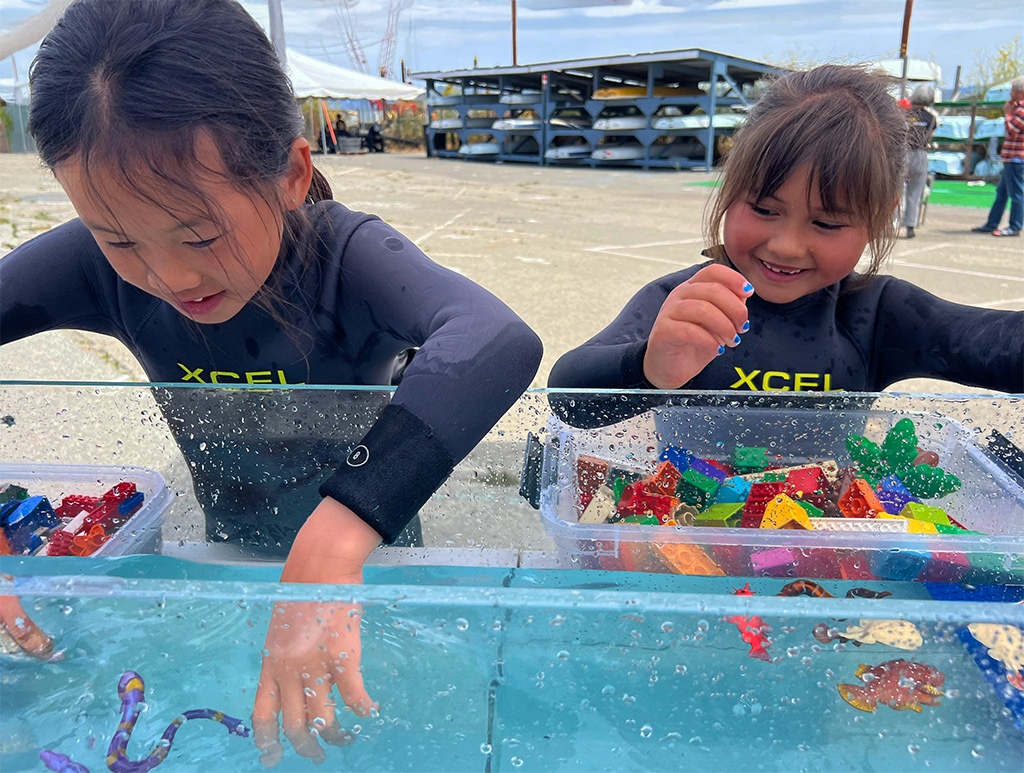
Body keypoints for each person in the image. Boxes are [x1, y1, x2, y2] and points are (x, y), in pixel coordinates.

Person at [0, 0, 542, 767]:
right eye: (119, 238)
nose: (170, 276)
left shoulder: (345, 258)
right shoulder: (95, 266)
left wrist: (345, 524)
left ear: (290, 174)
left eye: (200, 234)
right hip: (231, 571)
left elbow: (494, 339)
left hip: (370, 568)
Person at [548, 66, 1023, 407]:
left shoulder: (876, 314)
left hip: (825, 543)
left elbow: (996, 347)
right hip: (684, 537)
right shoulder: (686, 302)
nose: (786, 245)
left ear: (880, 221)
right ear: (731, 192)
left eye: (827, 223)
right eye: (763, 209)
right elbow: (566, 394)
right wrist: (648, 369)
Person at [972, 76, 1024, 237]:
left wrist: (1008, 114)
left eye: (1013, 90)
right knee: (1002, 192)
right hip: (1011, 157)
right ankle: (992, 223)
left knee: (1016, 193)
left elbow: (1012, 129)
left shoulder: (1021, 110)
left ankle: (1015, 226)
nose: (1011, 93)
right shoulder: (1018, 108)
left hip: (1017, 157)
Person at [902, 83, 937, 238]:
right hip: (921, 154)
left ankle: (887, 221)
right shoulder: (931, 118)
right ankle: (910, 225)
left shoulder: (904, 114)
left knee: (893, 191)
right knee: (915, 192)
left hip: (902, 153)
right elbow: (929, 136)